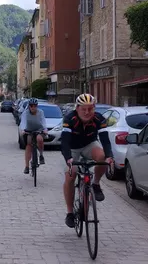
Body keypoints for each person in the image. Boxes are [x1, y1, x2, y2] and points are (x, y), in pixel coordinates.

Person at [60, 93, 114, 228]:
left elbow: (105, 140)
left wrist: (109, 156)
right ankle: (70, 213)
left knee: (101, 157)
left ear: (94, 108)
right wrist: (69, 159)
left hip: (89, 144)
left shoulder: (99, 119)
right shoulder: (69, 118)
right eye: (83, 109)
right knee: (71, 173)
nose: (87, 112)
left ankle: (95, 184)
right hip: (72, 148)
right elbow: (65, 142)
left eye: (90, 108)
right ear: (77, 108)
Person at [19, 98, 47, 174]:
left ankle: (41, 155)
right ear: (29, 106)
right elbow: (23, 122)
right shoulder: (25, 113)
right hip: (29, 130)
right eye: (31, 106)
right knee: (28, 145)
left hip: (39, 130)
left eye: (35, 106)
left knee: (39, 139)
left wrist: (45, 129)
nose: (33, 107)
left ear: (37, 106)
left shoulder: (40, 112)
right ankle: (27, 166)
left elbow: (43, 121)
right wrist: (23, 130)